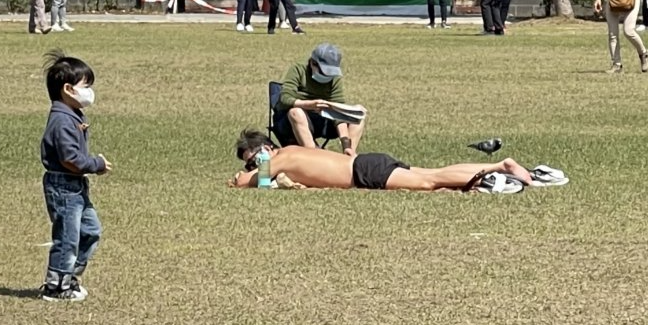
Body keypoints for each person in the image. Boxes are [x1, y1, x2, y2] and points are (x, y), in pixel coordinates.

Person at [230, 129, 536, 192]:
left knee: (429, 182)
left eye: (253, 159)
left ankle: (497, 167)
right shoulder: (292, 151)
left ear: (266, 148)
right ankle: (497, 166)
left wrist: (241, 176)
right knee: (433, 173)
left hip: (364, 172)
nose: (253, 166)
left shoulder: (280, 158)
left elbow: (249, 184)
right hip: (367, 164)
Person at [39, 52, 107, 301]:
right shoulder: (61, 121)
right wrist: (96, 164)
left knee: (91, 230)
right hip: (63, 186)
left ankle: (70, 275)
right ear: (68, 89)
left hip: (76, 186)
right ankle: (56, 286)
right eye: (85, 86)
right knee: (67, 237)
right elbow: (70, 159)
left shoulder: (72, 115)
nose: (89, 92)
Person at [273, 42, 366, 155]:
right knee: (296, 112)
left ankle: (349, 154)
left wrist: (345, 143)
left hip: (323, 119)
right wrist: (309, 105)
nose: (327, 77)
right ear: (313, 63)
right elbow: (285, 98)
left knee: (358, 114)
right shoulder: (298, 70)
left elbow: (339, 111)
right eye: (324, 72)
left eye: (330, 74)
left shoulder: (334, 78)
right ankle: (315, 156)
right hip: (290, 121)